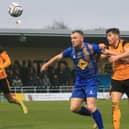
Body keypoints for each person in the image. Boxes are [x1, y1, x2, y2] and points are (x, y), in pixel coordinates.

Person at [41, 30, 104, 129]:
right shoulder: (71, 51)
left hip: (91, 81)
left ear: (81, 39)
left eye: (75, 38)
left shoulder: (90, 47)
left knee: (91, 106)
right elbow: (58, 57)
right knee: (74, 108)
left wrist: (116, 55)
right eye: (71, 38)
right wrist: (47, 64)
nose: (72, 40)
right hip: (79, 82)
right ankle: (95, 114)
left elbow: (104, 52)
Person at [103, 28, 129, 129]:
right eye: (107, 36)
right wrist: (100, 50)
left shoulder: (124, 44)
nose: (108, 38)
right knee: (115, 105)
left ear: (117, 36)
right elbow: (103, 56)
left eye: (110, 35)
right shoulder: (108, 48)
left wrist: (116, 56)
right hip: (116, 79)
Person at [0, 47, 28, 114]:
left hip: (2, 78)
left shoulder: (0, 50)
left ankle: (21, 103)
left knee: (10, 100)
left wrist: (2, 67)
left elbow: (8, 61)